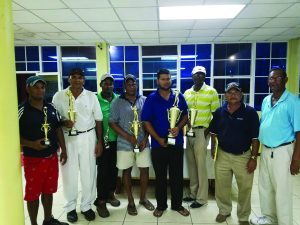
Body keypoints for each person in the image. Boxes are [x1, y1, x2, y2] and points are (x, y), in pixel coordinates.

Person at [52, 68, 103, 223]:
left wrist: (99, 141)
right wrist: (63, 122)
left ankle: (86, 206)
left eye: (80, 77)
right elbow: (54, 121)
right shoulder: (59, 96)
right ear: (69, 79)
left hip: (88, 137)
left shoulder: (91, 96)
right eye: (73, 77)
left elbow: (99, 119)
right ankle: (70, 207)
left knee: (89, 173)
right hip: (68, 139)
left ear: (84, 80)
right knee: (69, 174)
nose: (77, 80)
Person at [250, 68, 300, 225]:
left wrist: (296, 159)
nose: (273, 81)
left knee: (282, 190)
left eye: (277, 78)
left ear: (285, 80)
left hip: (283, 151)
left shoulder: (293, 101)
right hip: (266, 150)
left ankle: (285, 222)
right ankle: (269, 218)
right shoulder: (266, 100)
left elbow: (299, 132)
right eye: (271, 78)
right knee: (265, 187)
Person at [19, 76, 68, 225]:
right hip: (33, 159)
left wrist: (64, 150)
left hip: (52, 157)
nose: (40, 90)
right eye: (36, 87)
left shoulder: (51, 107)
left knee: (49, 190)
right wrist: (32, 144)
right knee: (33, 194)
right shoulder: (21, 110)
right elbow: (12, 136)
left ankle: (48, 220)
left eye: (42, 87)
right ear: (28, 89)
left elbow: (58, 128)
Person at [142, 69, 190, 217]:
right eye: (163, 79)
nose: (166, 81)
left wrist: (178, 127)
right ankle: (161, 205)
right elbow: (146, 121)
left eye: (168, 79)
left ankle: (177, 205)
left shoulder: (178, 96)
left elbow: (186, 115)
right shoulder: (151, 98)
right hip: (158, 145)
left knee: (177, 176)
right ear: (158, 81)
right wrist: (157, 139)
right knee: (160, 177)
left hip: (176, 143)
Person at [209, 82, 260, 225]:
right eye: (229, 92)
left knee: (245, 188)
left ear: (241, 94)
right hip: (223, 155)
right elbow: (213, 132)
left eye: (236, 92)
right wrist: (213, 148)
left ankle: (243, 216)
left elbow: (255, 138)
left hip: (243, 156)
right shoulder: (219, 112)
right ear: (225, 95)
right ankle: (224, 211)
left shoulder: (250, 113)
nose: (233, 95)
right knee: (222, 186)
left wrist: (253, 158)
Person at [109, 74, 154, 216]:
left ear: (137, 85)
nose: (131, 86)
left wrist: (146, 138)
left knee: (144, 170)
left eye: (133, 83)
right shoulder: (117, 102)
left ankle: (143, 198)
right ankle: (130, 201)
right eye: (128, 84)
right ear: (124, 86)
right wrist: (128, 137)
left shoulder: (145, 101)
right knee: (126, 171)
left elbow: (149, 122)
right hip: (124, 143)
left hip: (142, 143)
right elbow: (112, 122)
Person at [183, 65, 220, 208]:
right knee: (191, 165)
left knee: (201, 167)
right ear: (192, 76)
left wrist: (207, 132)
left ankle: (201, 198)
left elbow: (216, 116)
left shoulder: (211, 92)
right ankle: (193, 194)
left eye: (202, 74)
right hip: (188, 132)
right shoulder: (187, 93)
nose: (199, 77)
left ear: (205, 77)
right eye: (196, 74)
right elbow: (185, 113)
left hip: (202, 132)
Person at [94, 73, 120, 218]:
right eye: (105, 83)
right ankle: (101, 200)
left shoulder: (118, 98)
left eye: (110, 83)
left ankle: (111, 194)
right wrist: (98, 141)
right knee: (103, 171)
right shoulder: (95, 99)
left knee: (113, 170)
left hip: (116, 140)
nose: (108, 85)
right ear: (101, 85)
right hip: (101, 141)